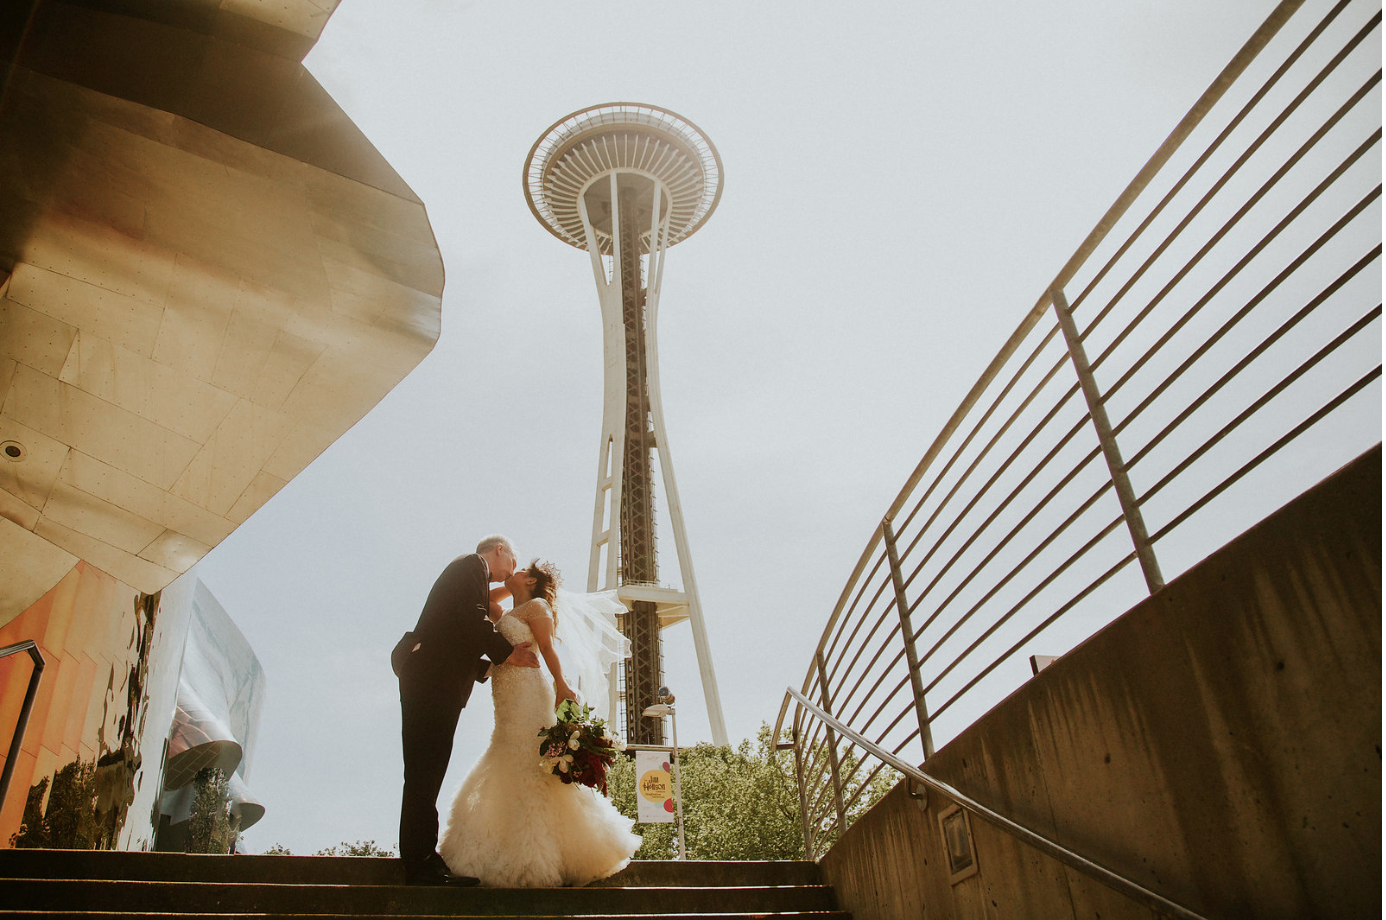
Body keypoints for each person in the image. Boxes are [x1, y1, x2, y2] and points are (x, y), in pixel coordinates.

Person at [439, 559, 641, 887]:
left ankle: (546, 851)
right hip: (505, 697)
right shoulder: (504, 612)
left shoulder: (536, 607)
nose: (512, 572)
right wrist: (510, 583)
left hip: (528, 691)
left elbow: (546, 648)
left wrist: (562, 684)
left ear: (532, 581)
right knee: (509, 756)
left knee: (531, 763)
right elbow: (482, 598)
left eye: (520, 570)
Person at [396, 535, 541, 886]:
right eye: (512, 562)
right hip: (433, 684)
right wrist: (508, 653)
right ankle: (421, 863)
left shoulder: (468, 574)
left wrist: (487, 668)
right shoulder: (471, 565)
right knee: (425, 772)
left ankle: (421, 857)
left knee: (424, 773)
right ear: (499, 550)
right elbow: (473, 617)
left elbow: (454, 633)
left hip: (433, 680)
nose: (511, 571)